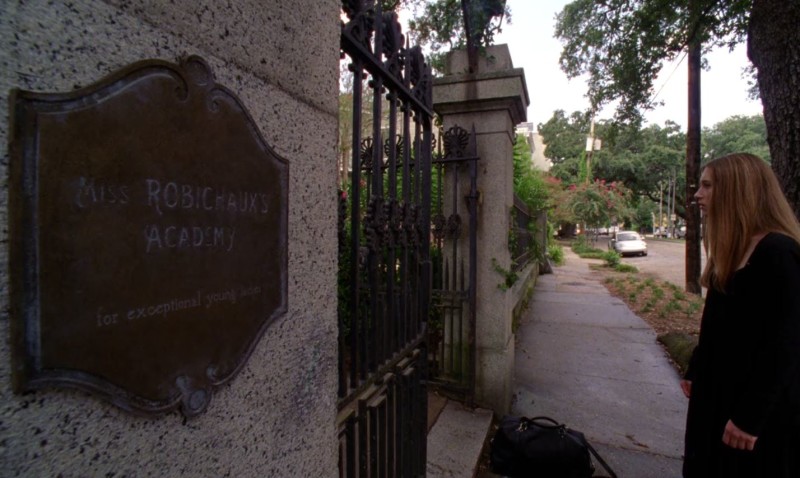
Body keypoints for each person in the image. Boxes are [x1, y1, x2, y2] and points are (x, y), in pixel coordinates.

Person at [681, 153, 800, 477]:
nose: (697, 195)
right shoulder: (733, 249)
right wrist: (696, 367)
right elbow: (718, 327)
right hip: (716, 400)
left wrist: (750, 417)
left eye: (707, 186)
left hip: (750, 419)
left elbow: (786, 344)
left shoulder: (778, 252)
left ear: (736, 189)